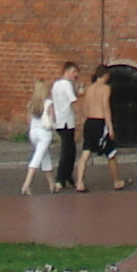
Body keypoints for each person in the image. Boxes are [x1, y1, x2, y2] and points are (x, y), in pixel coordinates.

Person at [78, 65, 128, 190]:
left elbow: (85, 108)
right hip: (100, 122)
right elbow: (106, 107)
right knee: (111, 153)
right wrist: (110, 127)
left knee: (86, 152)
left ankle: (79, 182)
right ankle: (117, 181)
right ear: (105, 75)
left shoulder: (89, 88)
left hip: (89, 121)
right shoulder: (105, 88)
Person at [48, 60, 81, 190]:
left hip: (59, 121)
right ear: (67, 71)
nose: (75, 75)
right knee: (67, 150)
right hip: (67, 120)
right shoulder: (67, 85)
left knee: (70, 149)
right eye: (74, 72)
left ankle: (67, 176)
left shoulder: (56, 84)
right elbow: (73, 101)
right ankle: (61, 178)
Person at [19, 82, 56, 195]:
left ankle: (52, 184)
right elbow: (53, 119)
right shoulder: (48, 103)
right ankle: (26, 185)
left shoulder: (31, 104)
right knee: (37, 158)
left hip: (33, 133)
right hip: (44, 133)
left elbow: (28, 120)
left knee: (45, 156)